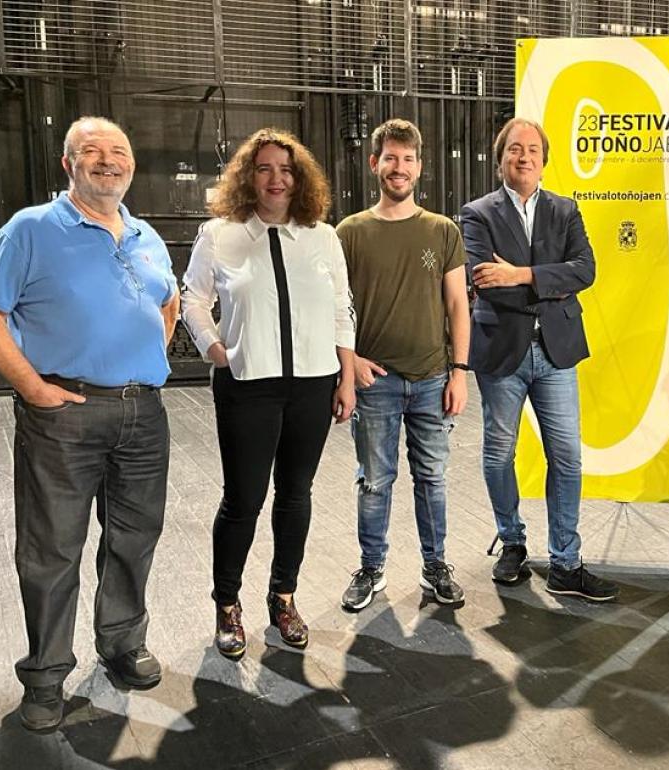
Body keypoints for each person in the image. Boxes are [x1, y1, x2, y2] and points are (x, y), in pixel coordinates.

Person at [0, 116, 179, 731]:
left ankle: (121, 642)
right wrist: (34, 387)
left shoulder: (144, 234)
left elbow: (165, 300)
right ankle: (46, 674)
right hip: (63, 413)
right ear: (69, 165)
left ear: (131, 166)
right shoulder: (31, 229)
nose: (108, 161)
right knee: (51, 548)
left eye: (119, 151)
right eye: (93, 152)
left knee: (134, 538)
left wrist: (150, 357)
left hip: (143, 413)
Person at [181, 128, 356, 659]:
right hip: (247, 387)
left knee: (296, 497)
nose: (276, 178)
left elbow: (342, 309)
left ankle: (283, 597)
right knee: (243, 502)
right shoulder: (220, 234)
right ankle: (227, 604)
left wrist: (345, 377)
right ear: (247, 177)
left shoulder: (323, 237)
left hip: (312, 385)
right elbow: (193, 300)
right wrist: (215, 348)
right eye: (264, 168)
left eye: (286, 169)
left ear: (298, 177)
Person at [461, 117, 618, 602]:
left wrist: (522, 274)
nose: (523, 156)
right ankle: (512, 542)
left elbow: (585, 269)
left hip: (555, 351)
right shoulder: (477, 213)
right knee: (497, 455)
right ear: (500, 158)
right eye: (514, 149)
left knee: (567, 458)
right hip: (500, 351)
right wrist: (543, 279)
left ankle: (566, 562)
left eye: (532, 149)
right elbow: (481, 274)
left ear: (545, 162)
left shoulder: (565, 211)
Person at [335, 118, 470, 610]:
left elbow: (458, 305)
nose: (399, 167)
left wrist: (460, 372)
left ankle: (435, 567)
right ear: (374, 164)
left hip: (434, 379)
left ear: (420, 167)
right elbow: (333, 307)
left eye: (408, 159)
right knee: (375, 481)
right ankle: (372, 569)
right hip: (375, 384)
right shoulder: (349, 232)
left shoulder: (442, 230)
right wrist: (351, 366)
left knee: (432, 479)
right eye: (390, 158)